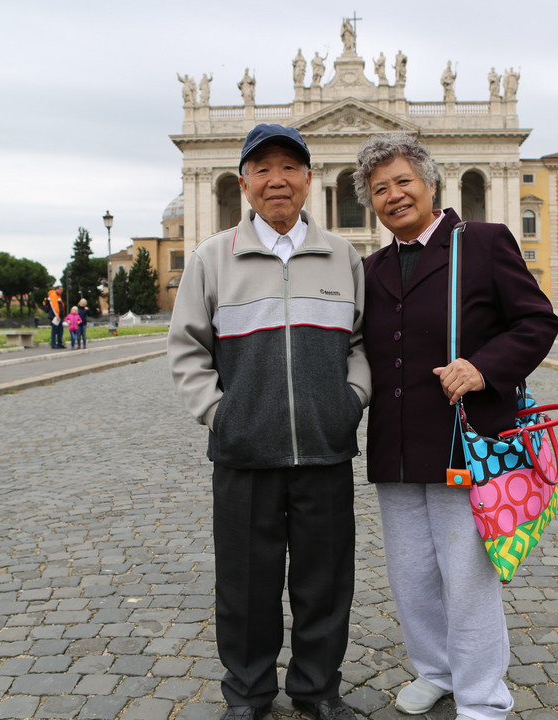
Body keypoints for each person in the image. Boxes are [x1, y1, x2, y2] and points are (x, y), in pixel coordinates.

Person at [352, 133, 558, 720]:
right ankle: (436, 670)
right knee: (412, 575)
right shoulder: (372, 266)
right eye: (379, 189)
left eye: (402, 182)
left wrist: (483, 366)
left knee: (466, 577)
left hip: (463, 438)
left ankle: (482, 695)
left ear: (429, 184)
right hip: (394, 443)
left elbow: (536, 321)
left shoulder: (484, 243)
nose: (393, 196)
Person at [169, 124, 369, 720]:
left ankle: (316, 690)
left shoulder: (343, 255)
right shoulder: (212, 258)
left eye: (289, 167)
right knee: (246, 585)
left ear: (309, 178)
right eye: (262, 169)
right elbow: (187, 349)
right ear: (244, 183)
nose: (276, 180)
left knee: (325, 583)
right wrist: (220, 414)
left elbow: (361, 343)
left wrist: (349, 400)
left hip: (324, 449)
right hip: (243, 452)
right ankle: (250, 693)